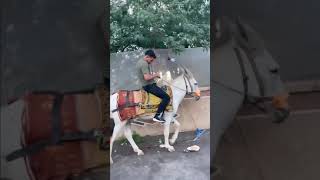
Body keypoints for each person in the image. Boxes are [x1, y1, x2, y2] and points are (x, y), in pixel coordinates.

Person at [136, 49, 170, 123]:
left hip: (147, 84)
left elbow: (146, 75)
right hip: (148, 86)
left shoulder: (140, 62)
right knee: (166, 97)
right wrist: (156, 75)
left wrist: (153, 75)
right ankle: (157, 116)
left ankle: (163, 113)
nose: (151, 62)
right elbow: (146, 78)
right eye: (151, 60)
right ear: (148, 57)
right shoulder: (144, 64)